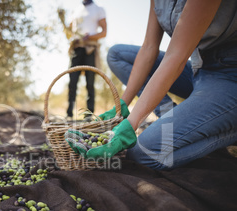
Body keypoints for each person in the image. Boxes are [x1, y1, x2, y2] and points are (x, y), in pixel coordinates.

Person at [66, 0, 237, 170]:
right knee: (117, 54)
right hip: (197, 68)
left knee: (144, 152)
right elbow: (149, 47)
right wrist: (121, 106)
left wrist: (130, 126)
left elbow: (177, 56)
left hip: (228, 75)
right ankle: (168, 114)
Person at [65, 0, 107, 120]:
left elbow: (104, 32)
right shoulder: (75, 10)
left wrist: (90, 36)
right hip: (77, 49)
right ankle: (69, 114)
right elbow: (69, 31)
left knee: (90, 83)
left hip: (90, 49)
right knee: (72, 82)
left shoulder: (98, 9)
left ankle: (89, 115)